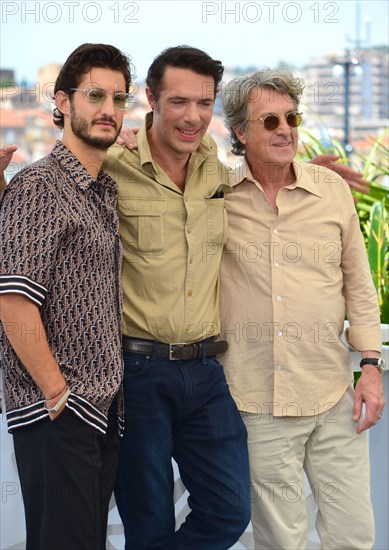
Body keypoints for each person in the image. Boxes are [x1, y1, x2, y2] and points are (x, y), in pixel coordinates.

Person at [220, 69, 386, 549]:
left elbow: (359, 285)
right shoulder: (217, 195)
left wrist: (371, 368)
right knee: (281, 540)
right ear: (240, 132)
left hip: (334, 396)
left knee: (353, 534)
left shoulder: (329, 189)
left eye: (290, 117)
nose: (284, 129)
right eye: (268, 120)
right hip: (256, 400)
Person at [102, 45, 251, 550]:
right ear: (150, 99)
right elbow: (42, 203)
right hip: (137, 372)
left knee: (230, 511)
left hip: (207, 371)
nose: (193, 117)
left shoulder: (214, 165)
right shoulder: (111, 164)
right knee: (148, 521)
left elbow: (264, 184)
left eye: (204, 103)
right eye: (180, 102)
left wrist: (314, 175)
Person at [0, 43, 132, 550]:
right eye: (94, 95)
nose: (108, 110)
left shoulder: (102, 188)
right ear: (62, 102)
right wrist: (59, 396)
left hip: (100, 409)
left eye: (119, 99)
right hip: (59, 412)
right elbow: (13, 301)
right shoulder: (41, 186)